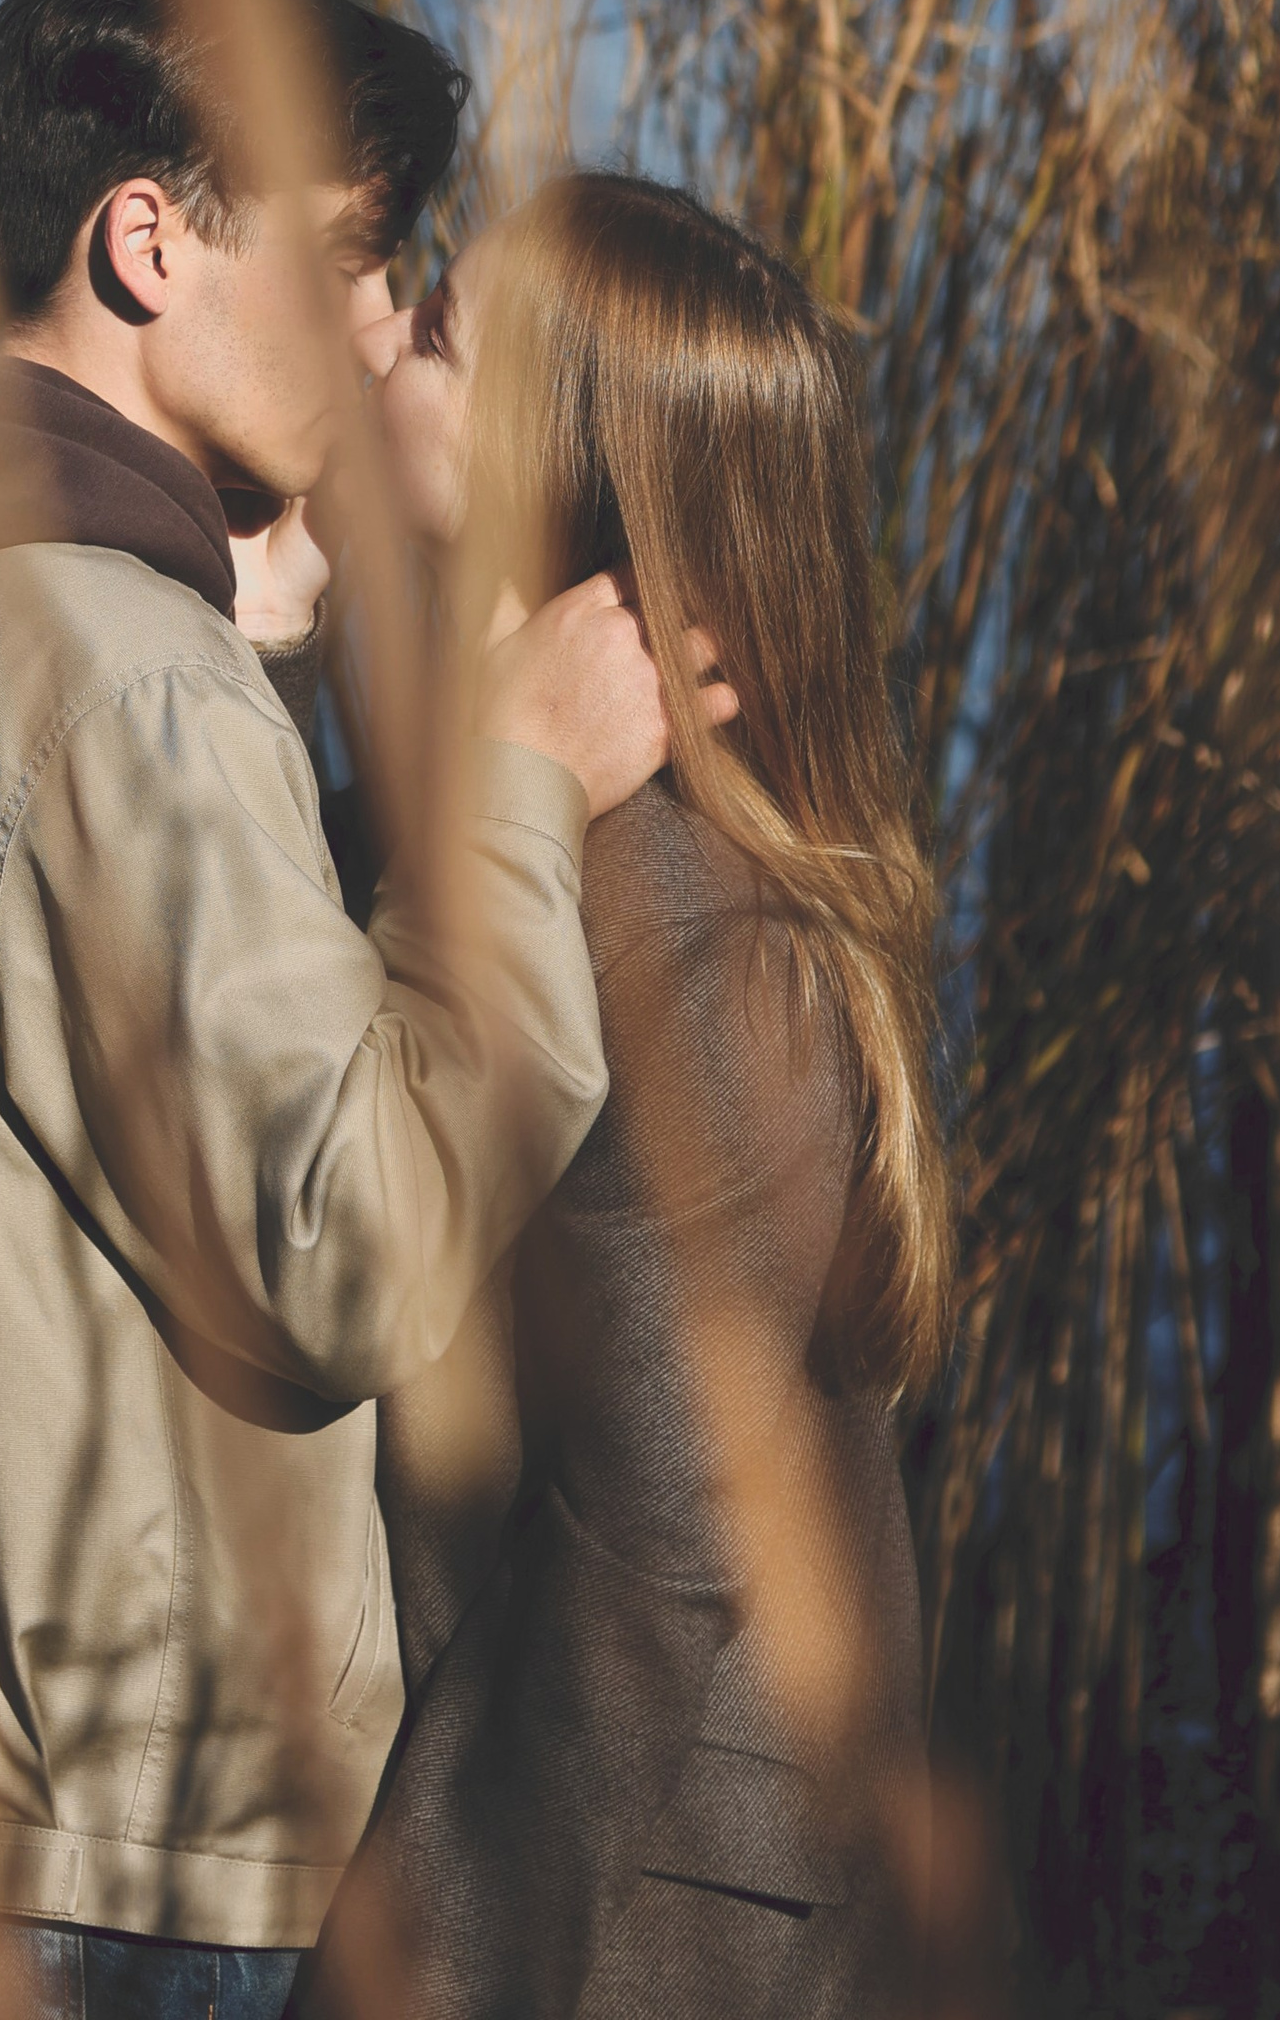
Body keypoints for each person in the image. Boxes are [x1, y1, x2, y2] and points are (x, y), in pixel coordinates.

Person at [0, 0, 691, 2020]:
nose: (388, 323)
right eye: (356, 249)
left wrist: (224, 612)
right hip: (90, 1820)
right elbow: (350, 1255)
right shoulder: (118, 690)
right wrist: (509, 787)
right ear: (148, 244)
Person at [308, 172, 951, 2020]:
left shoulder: (670, 911)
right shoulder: (526, 829)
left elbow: (659, 1559)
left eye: (433, 333)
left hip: (634, 1917)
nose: (377, 338)